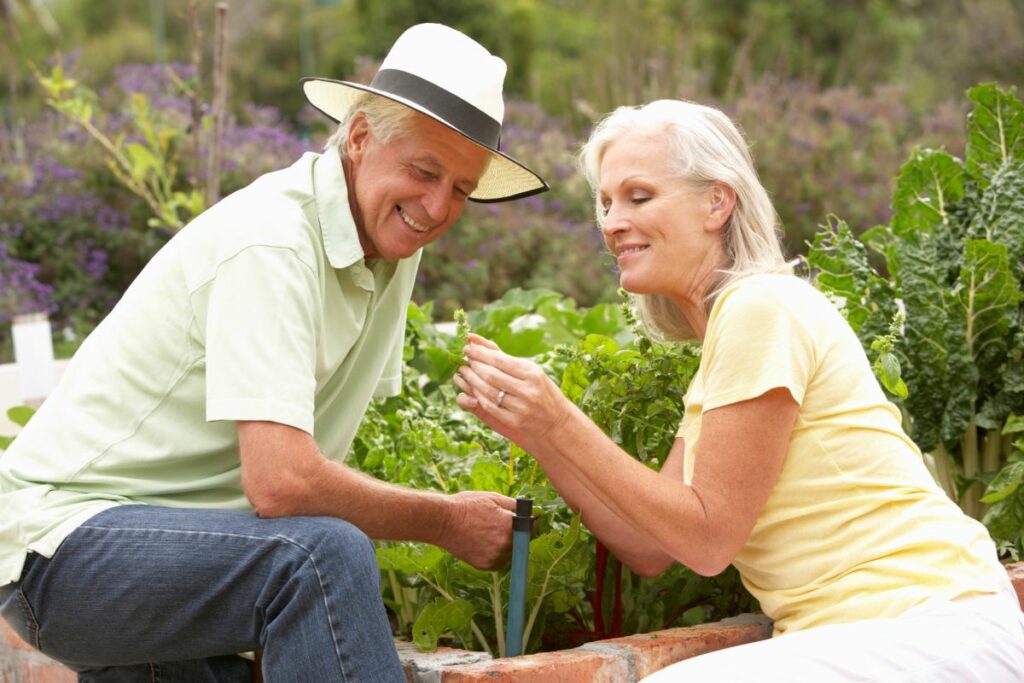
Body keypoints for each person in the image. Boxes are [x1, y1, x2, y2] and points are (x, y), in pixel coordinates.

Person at [0, 23, 547, 682]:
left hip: (171, 545)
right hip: (62, 551)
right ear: (361, 136)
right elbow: (283, 481)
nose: (436, 207)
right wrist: (444, 520)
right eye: (424, 172)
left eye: (461, 188)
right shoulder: (273, 243)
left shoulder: (389, 243)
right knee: (321, 559)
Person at [454, 99, 1024, 681]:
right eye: (604, 203)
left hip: (935, 625)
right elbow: (651, 546)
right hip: (875, 636)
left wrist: (559, 419)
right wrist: (541, 434)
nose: (612, 221)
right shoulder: (731, 338)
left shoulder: (761, 307)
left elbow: (707, 539)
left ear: (717, 202)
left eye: (638, 196)